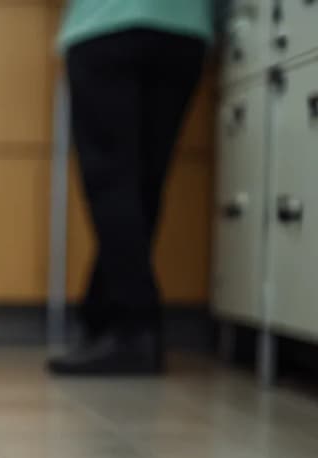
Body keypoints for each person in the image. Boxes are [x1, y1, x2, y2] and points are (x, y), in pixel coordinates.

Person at [47, 0, 223, 375]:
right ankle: (101, 317)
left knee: (112, 183)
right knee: (144, 184)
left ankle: (135, 328)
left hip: (106, 22)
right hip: (182, 29)